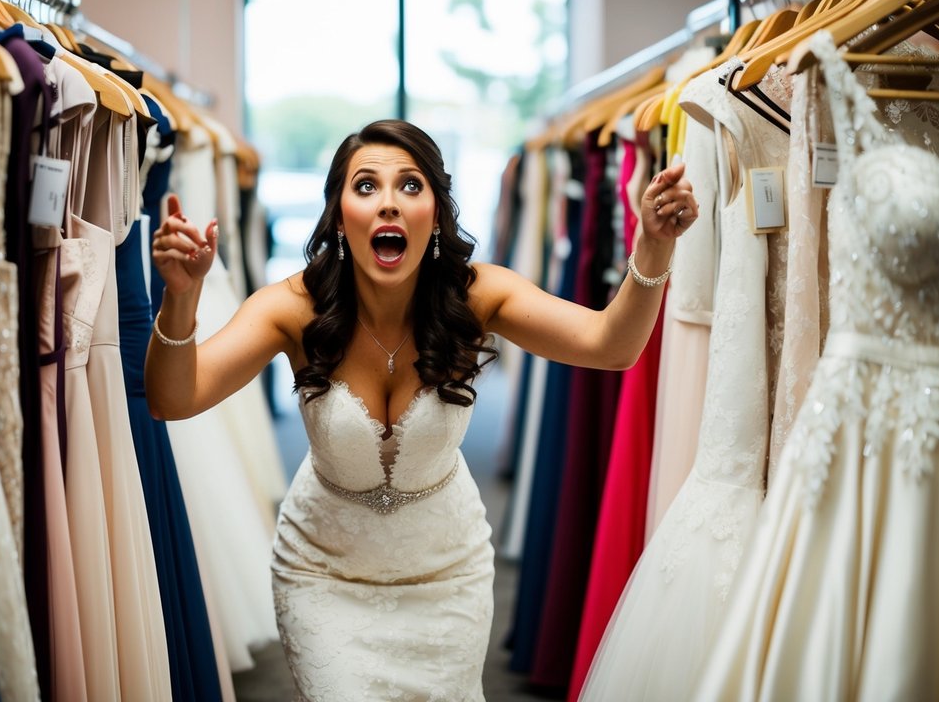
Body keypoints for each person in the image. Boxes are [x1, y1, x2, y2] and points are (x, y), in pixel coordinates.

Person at [145, 119, 697, 700]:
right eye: (365, 187)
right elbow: (173, 399)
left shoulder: (479, 294)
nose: (388, 204)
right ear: (338, 214)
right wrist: (180, 300)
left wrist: (653, 245)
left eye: (410, 186)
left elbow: (612, 346)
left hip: (448, 577)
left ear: (435, 211)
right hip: (323, 575)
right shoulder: (291, 307)